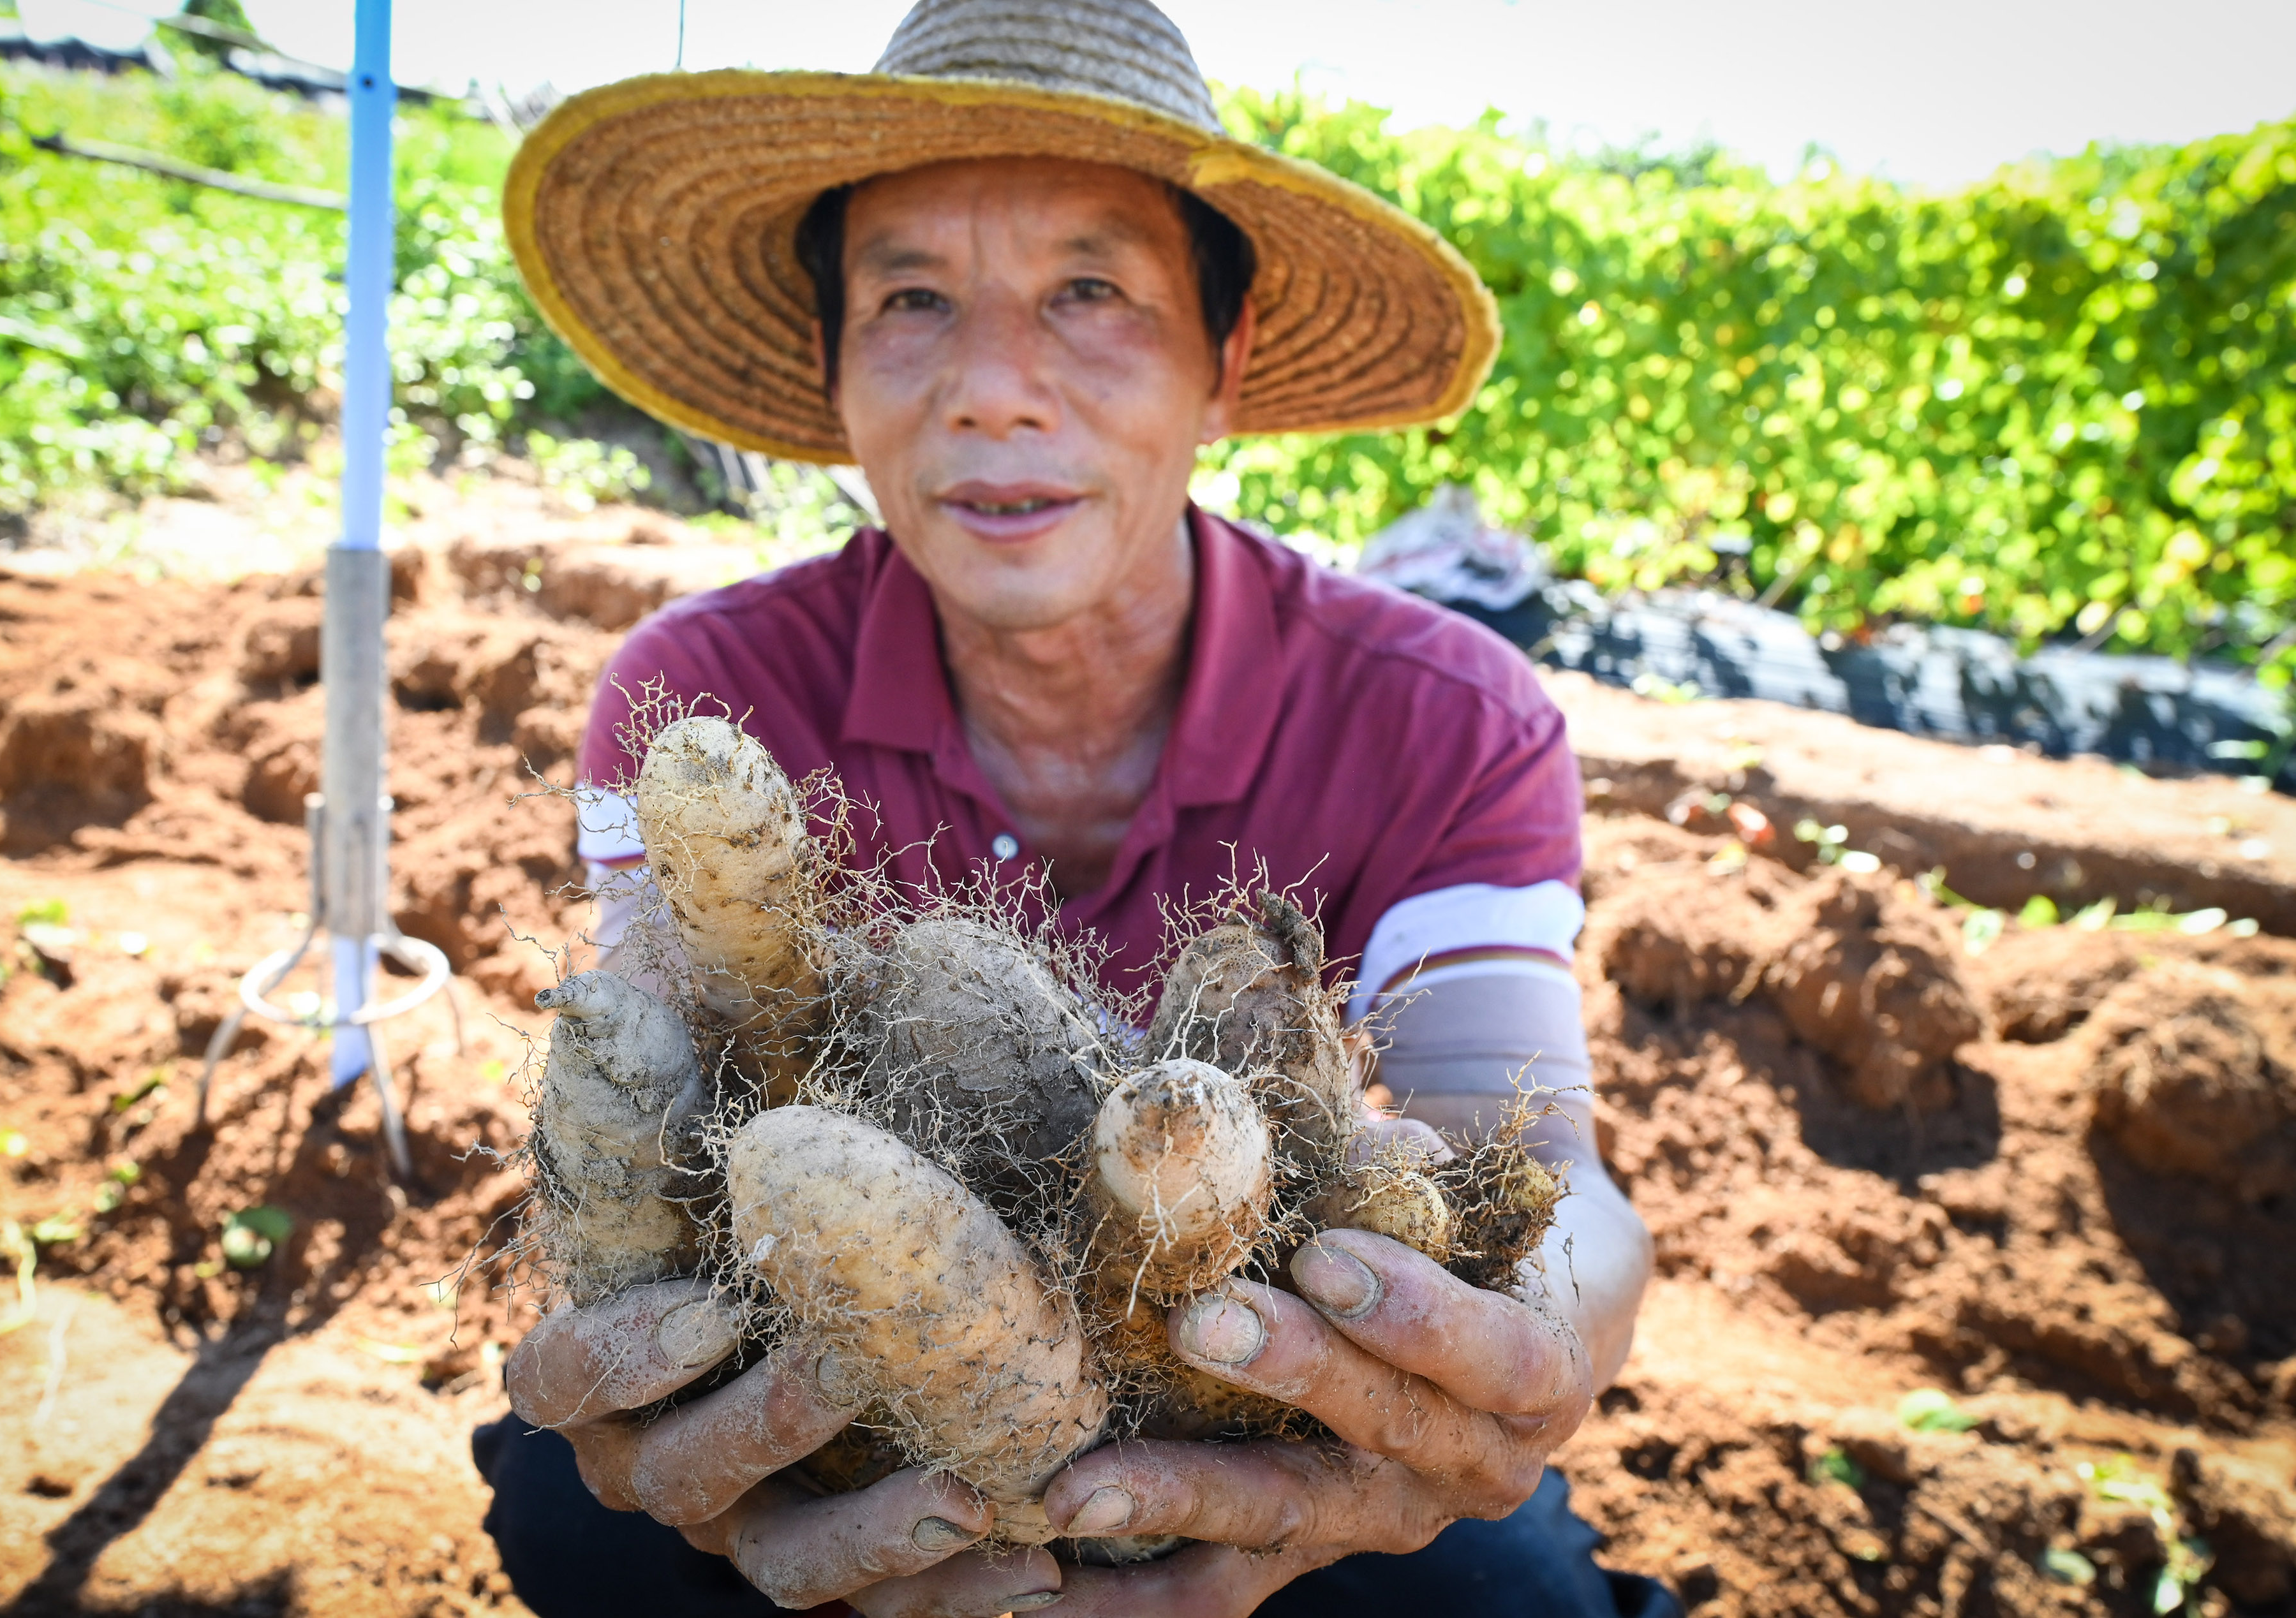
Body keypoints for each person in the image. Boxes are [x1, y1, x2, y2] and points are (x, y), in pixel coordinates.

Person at [477, 1, 1669, 1613]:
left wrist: (1502, 1351)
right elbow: (657, 1111)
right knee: (580, 1515)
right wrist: (659, 1362)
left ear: (1223, 363)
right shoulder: (704, 697)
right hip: (846, 1416)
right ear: (833, 369)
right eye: (911, 298)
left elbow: (1535, 1172)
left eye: (1090, 291)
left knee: (1500, 1598)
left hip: (1260, 1399)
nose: (991, 390)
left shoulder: (1446, 715)